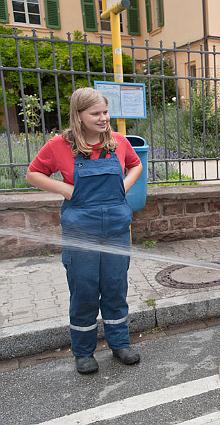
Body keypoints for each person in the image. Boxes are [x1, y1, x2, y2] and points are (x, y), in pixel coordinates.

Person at [26, 87, 143, 374]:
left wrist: (123, 187)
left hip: (115, 229)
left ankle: (120, 344)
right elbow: (33, 173)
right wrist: (66, 189)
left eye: (105, 112)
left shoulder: (117, 142)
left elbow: (136, 165)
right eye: (96, 114)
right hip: (82, 233)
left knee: (115, 287)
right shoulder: (59, 145)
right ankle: (83, 351)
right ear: (78, 116)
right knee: (84, 291)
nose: (104, 118)